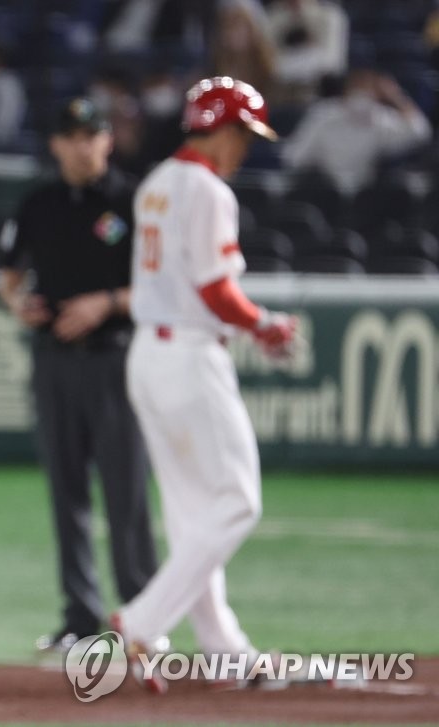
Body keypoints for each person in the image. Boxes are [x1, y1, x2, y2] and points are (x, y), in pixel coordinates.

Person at [112, 76, 297, 693]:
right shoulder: (208, 190)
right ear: (223, 128)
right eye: (244, 133)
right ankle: (142, 620)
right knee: (238, 500)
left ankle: (223, 649)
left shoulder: (157, 182)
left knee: (196, 515)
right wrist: (266, 325)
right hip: (189, 355)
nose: (245, 147)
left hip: (148, 354)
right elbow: (216, 289)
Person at [0, 98, 159, 653]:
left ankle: (144, 618)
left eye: (93, 134)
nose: (83, 144)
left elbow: (160, 286)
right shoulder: (39, 202)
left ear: (107, 141)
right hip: (55, 362)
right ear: (56, 144)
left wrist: (105, 302)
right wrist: (21, 305)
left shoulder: (133, 200)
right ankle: (80, 618)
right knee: (67, 493)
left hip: (115, 357)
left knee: (126, 494)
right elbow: (9, 277)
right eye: (73, 135)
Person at [280, 68, 432, 195]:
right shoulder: (323, 114)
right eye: (358, 86)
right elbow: (294, 158)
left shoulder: (378, 118)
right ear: (348, 88)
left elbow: (420, 132)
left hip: (363, 201)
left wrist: (396, 97)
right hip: (321, 194)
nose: (362, 96)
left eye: (367, 88)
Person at [265, 0, 348, 104]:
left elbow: (330, 63)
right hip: (280, 93)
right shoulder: (273, 17)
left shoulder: (330, 16)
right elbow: (269, 64)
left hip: (320, 91)